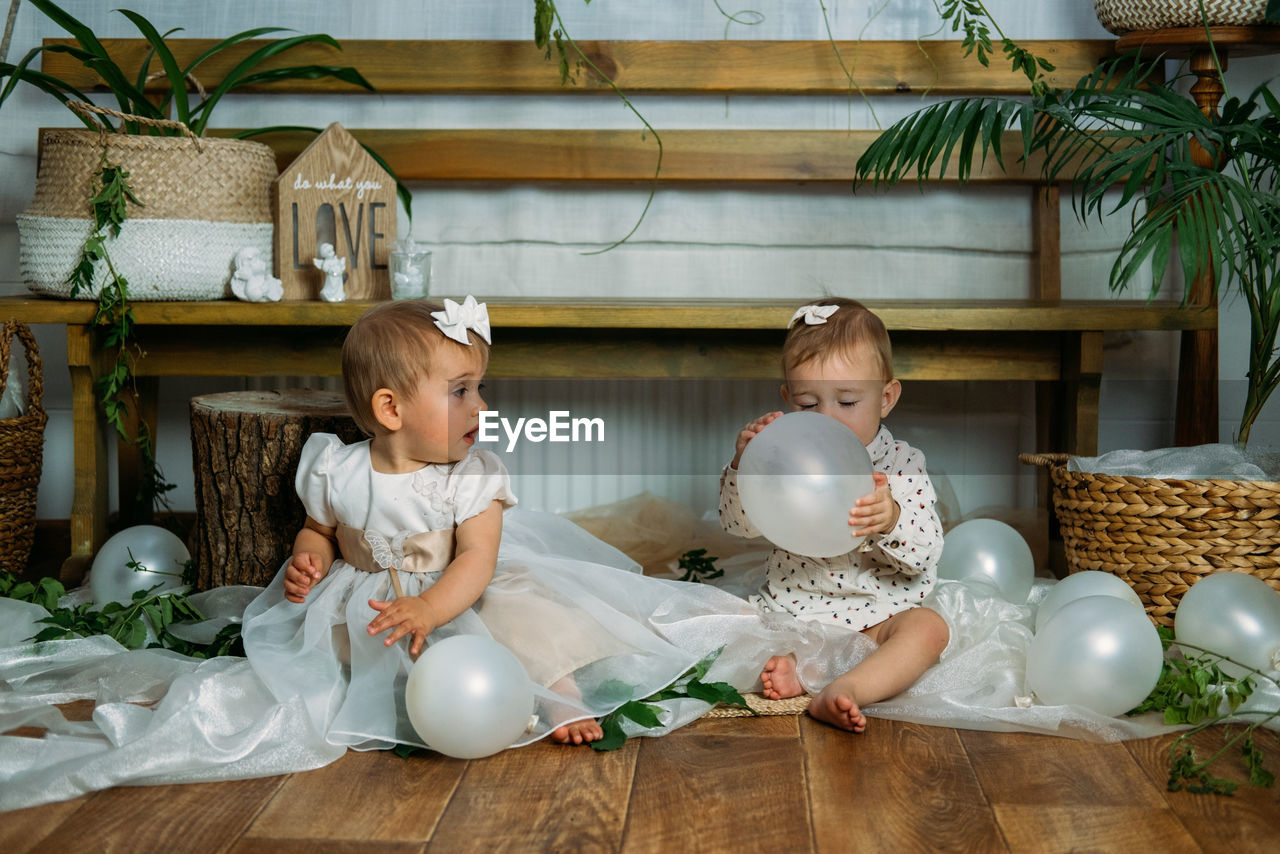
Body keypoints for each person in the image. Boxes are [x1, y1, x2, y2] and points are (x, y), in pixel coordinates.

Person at [242, 295, 759, 751]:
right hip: (368, 596)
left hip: (462, 590)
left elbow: (476, 558)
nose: (480, 405)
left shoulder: (471, 477)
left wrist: (429, 606)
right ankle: (397, 693)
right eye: (460, 391)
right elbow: (322, 529)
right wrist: (311, 557)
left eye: (478, 387)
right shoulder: (337, 467)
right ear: (390, 409)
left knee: (526, 624)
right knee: (335, 656)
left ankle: (561, 697)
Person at [718, 297, 949, 733]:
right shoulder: (782, 458)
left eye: (846, 402)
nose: (827, 418)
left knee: (929, 630)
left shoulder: (901, 464)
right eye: (808, 404)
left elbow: (924, 554)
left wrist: (892, 517)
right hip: (793, 614)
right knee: (725, 624)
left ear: (885, 398)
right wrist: (744, 466)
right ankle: (799, 664)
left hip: (877, 618)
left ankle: (848, 688)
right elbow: (737, 525)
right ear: (787, 398)